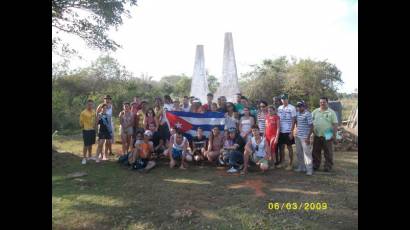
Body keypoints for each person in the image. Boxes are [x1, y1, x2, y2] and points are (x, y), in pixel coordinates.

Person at [311, 97, 338, 172]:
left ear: (327, 103)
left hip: (328, 134)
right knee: (316, 151)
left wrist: (334, 135)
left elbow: (335, 124)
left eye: (324, 102)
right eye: (321, 102)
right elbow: (310, 120)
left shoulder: (331, 112)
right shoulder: (315, 111)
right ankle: (315, 165)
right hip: (317, 134)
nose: (322, 103)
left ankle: (328, 166)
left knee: (328, 151)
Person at [277, 94, 297, 170]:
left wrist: (291, 132)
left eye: (285, 98)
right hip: (281, 131)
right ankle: (282, 162)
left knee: (289, 147)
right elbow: (279, 119)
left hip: (288, 131)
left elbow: (293, 120)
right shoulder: (279, 108)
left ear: (287, 99)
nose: (283, 100)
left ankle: (290, 164)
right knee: (281, 147)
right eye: (282, 99)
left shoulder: (292, 108)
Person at [295, 101, 314, 175]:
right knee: (299, 153)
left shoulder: (307, 114)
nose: (299, 107)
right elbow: (297, 123)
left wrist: (308, 137)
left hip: (305, 137)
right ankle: (301, 167)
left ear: (304, 106)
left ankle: (309, 170)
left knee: (307, 153)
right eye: (298, 106)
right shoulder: (297, 113)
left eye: (301, 106)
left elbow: (311, 126)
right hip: (298, 136)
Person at [79, 99, 96, 164]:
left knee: (91, 144)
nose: (90, 105)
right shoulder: (83, 112)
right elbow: (81, 122)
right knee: (86, 144)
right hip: (86, 130)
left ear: (93, 105)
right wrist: (83, 127)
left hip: (92, 130)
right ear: (87, 105)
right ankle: (84, 158)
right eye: (89, 104)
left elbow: (95, 120)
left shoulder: (94, 112)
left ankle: (90, 156)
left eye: (91, 104)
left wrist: (94, 127)